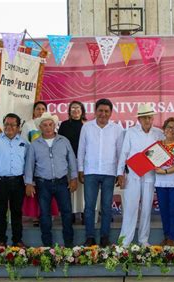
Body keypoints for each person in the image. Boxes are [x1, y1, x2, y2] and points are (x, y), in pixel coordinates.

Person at [24, 112, 77, 248]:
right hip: (43, 184)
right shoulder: (35, 144)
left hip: (62, 182)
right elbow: (29, 164)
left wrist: (74, 178)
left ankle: (69, 244)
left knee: (66, 213)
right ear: (40, 127)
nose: (48, 128)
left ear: (54, 125)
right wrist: (28, 183)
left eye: (50, 124)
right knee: (44, 215)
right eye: (45, 125)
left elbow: (71, 160)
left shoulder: (64, 141)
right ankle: (47, 246)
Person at [77, 98, 123, 247]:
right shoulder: (87, 127)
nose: (103, 114)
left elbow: (120, 152)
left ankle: (105, 237)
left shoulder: (117, 129)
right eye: (100, 110)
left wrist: (120, 172)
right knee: (89, 206)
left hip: (109, 172)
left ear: (111, 113)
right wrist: (80, 169)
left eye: (106, 111)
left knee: (106, 207)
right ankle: (90, 237)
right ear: (95, 111)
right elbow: (81, 149)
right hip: (90, 171)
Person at [117, 103, 164, 247]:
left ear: (153, 118)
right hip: (133, 175)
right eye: (144, 118)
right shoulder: (131, 132)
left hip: (150, 176)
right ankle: (124, 242)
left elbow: (162, 154)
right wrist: (120, 173)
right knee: (131, 208)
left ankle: (143, 240)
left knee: (146, 210)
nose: (147, 120)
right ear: (139, 119)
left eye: (150, 117)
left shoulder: (158, 133)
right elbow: (124, 153)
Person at [0, 113, 28, 247]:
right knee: (0, 213)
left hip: (18, 182)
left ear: (18, 127)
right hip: (0, 182)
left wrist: (28, 183)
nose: (9, 127)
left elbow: (28, 164)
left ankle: (17, 240)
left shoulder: (24, 143)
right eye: (6, 124)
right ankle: (1, 241)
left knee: (16, 212)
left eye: (12, 125)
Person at [20, 101, 58, 226]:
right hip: (32, 161)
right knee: (35, 189)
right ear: (34, 111)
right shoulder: (28, 125)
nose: (40, 111)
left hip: (48, 163)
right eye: (38, 109)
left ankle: (47, 214)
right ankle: (36, 215)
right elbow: (25, 143)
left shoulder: (51, 124)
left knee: (47, 188)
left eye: (43, 109)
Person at [154, 117, 174, 247]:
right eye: (168, 127)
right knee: (164, 211)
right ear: (164, 129)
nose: (171, 130)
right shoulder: (157, 145)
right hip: (161, 183)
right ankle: (166, 236)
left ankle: (172, 237)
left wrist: (164, 172)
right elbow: (153, 162)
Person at [58, 101, 88, 224]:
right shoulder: (64, 125)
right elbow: (60, 143)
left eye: (78, 108)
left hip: (85, 162)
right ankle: (70, 213)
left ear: (82, 111)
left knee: (84, 190)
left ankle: (84, 213)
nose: (75, 110)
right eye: (73, 108)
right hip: (69, 161)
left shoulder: (87, 125)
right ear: (69, 111)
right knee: (70, 188)